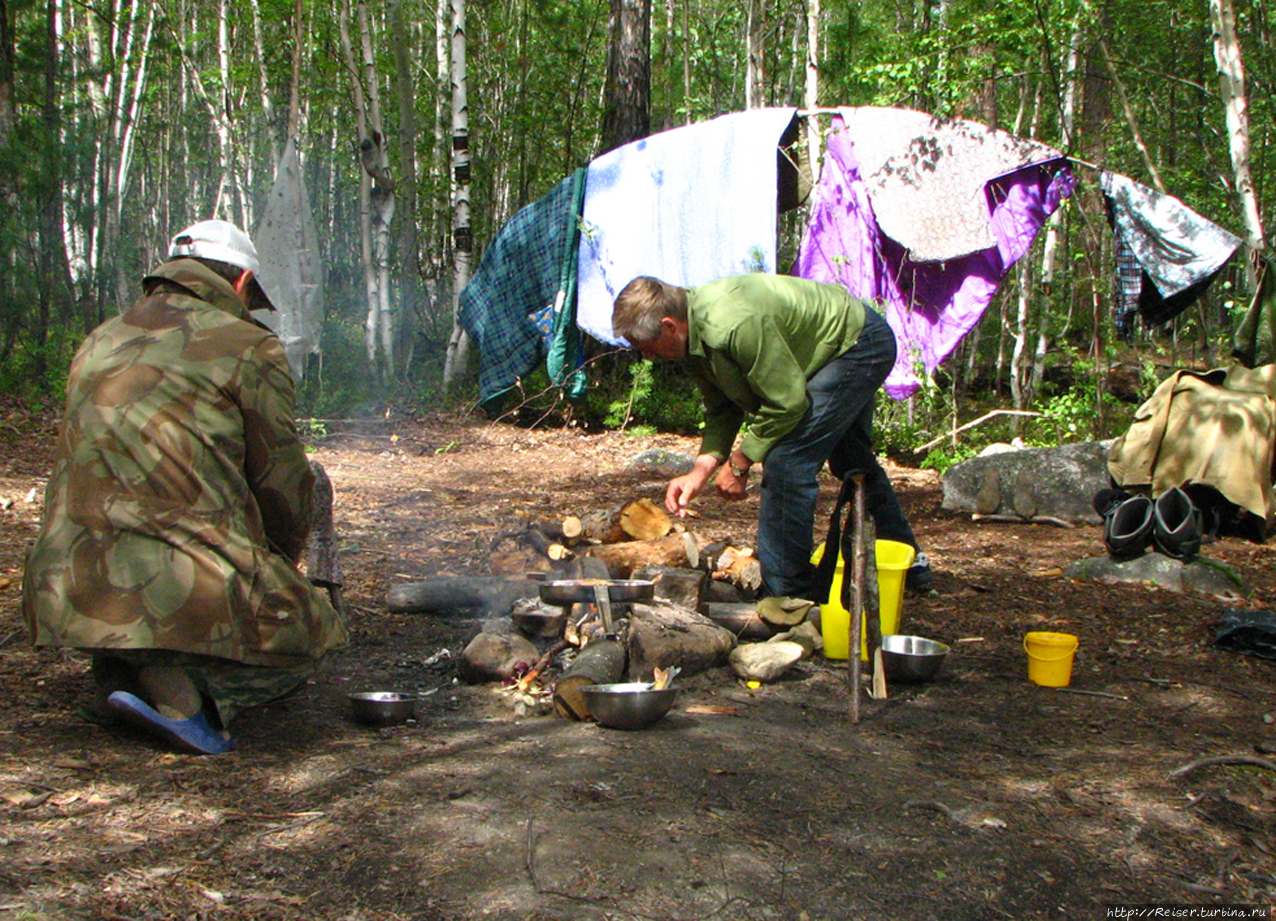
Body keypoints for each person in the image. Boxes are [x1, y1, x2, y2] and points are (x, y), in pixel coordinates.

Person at [22, 220, 349, 755]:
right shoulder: (248, 347)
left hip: (65, 584)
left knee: (150, 603)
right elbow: (282, 482)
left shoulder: (99, 340)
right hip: (172, 578)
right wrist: (278, 561)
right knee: (317, 636)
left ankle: (122, 672)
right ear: (241, 285)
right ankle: (193, 702)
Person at [611, 273, 932, 600]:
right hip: (822, 355)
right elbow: (722, 408)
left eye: (647, 348)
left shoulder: (732, 325)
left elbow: (787, 403)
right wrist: (700, 472)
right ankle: (909, 560)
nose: (648, 358)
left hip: (856, 343)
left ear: (668, 325)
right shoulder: (691, 339)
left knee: (786, 461)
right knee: (852, 460)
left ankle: (788, 596)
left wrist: (740, 463)